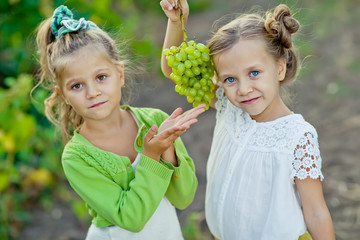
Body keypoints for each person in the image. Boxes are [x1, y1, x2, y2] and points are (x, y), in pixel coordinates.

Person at [160, 1, 335, 239]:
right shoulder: (229, 106)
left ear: (280, 68)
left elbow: (316, 212)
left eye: (254, 73)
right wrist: (175, 22)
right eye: (230, 79)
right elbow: (173, 69)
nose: (243, 89)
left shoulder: (297, 136)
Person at [33, 5, 206, 240]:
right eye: (77, 86)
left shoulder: (155, 120)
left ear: (120, 75)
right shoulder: (77, 157)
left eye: (101, 77)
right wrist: (151, 155)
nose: (92, 92)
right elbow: (131, 218)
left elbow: (184, 198)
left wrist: (167, 151)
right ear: (63, 95)